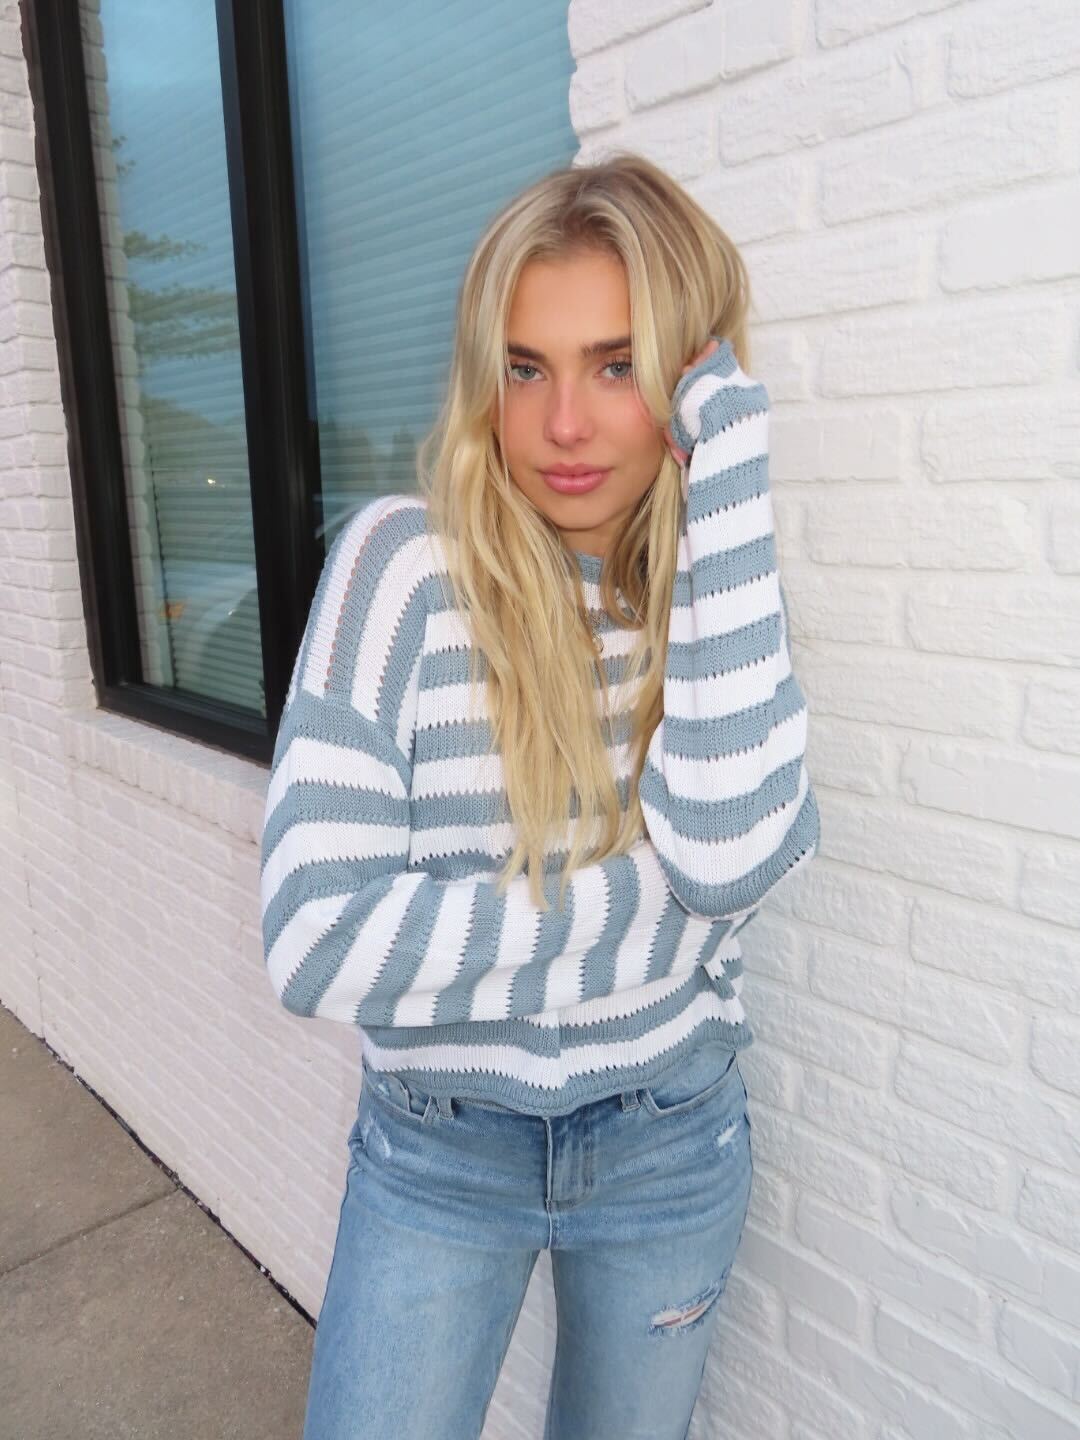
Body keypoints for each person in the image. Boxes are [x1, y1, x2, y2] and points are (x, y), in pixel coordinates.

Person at [259, 151, 821, 1440]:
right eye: (526, 368)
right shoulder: (399, 572)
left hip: (669, 1138)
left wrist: (727, 458)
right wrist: (656, 905)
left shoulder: (719, 599)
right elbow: (317, 939)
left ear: (690, 379)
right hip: (439, 1150)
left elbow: (727, 857)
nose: (563, 424)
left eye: (619, 365)